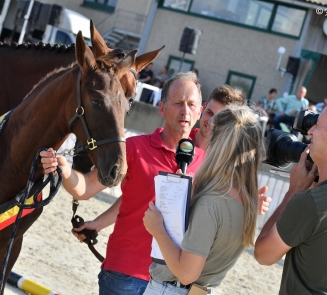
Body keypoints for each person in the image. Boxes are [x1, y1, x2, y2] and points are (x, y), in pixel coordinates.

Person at [41, 75, 270, 294]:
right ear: (161, 108)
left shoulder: (210, 165)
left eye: (191, 105)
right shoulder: (134, 147)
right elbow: (88, 188)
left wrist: (246, 203)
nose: (185, 111)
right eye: (178, 103)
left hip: (172, 282)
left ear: (198, 112)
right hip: (125, 275)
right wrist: (65, 169)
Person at [143, 104, 265, 294]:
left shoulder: (211, 203)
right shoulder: (247, 202)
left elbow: (186, 273)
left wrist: (158, 230)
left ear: (219, 144)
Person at [254, 109, 327, 294]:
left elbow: (263, 255)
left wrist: (294, 191)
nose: (309, 131)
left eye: (317, 125)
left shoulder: (311, 204)